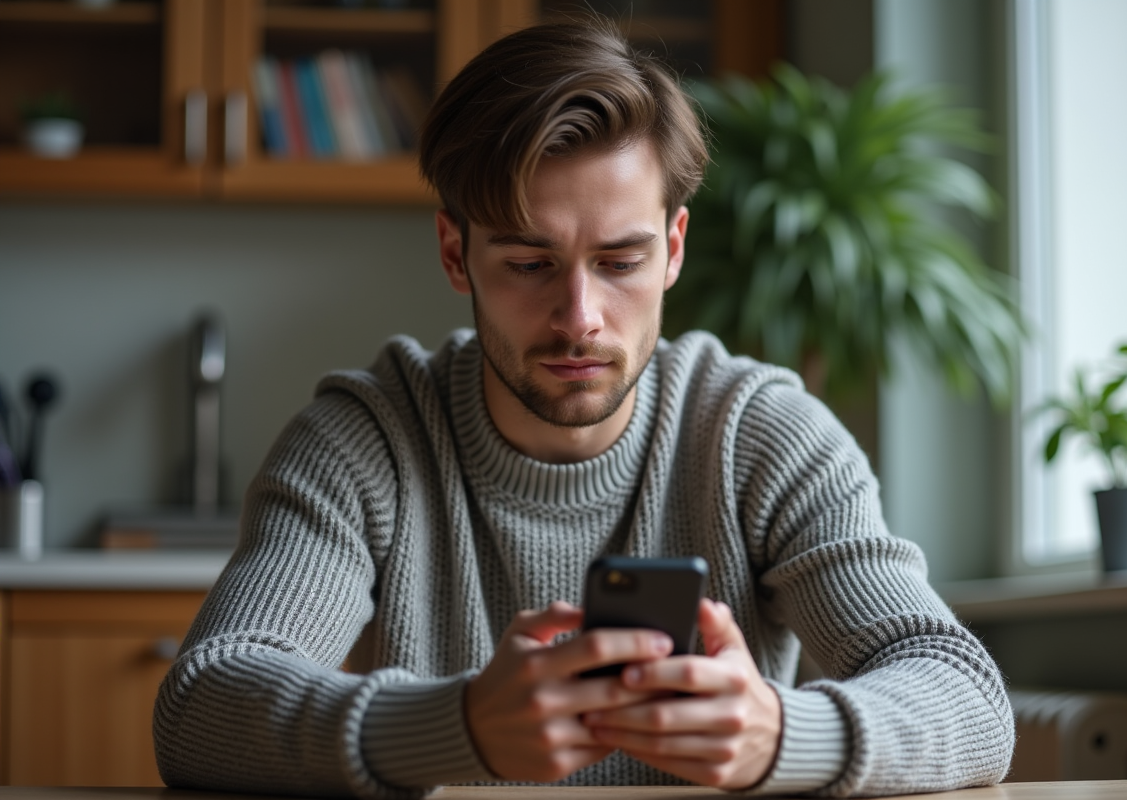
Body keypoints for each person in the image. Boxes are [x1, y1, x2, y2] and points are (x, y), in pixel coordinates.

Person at [153, 18, 1015, 798]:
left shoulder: (763, 437)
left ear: (673, 249)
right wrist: (460, 727)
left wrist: (781, 735)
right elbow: (201, 706)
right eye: (530, 263)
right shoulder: (364, 440)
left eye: (620, 261)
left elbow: (966, 696)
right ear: (457, 253)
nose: (579, 317)